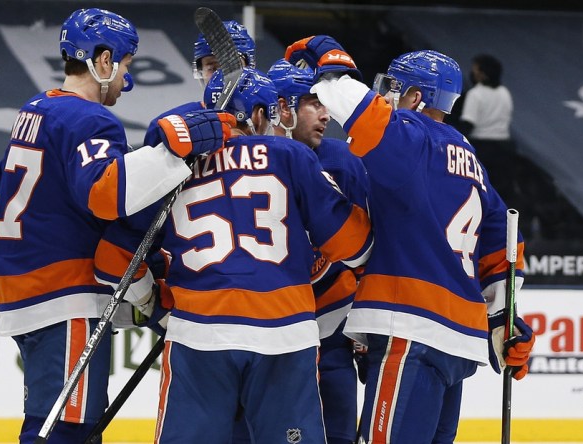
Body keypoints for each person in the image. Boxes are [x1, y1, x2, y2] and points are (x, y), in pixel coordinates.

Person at [0, 8, 230, 443]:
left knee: (58, 419)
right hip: (63, 295)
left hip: (21, 290)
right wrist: (170, 153)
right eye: (126, 65)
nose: (125, 79)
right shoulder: (90, 119)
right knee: (67, 428)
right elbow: (104, 196)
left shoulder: (35, 109)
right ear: (104, 62)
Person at [93, 67, 373, 443]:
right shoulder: (292, 155)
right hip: (285, 333)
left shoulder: (172, 166)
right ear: (259, 115)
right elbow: (356, 247)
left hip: (199, 335)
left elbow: (112, 260)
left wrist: (153, 301)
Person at [284, 37, 536, 443]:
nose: (385, 97)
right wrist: (503, 323)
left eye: (394, 89)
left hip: (411, 327)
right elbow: (505, 248)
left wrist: (328, 59)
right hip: (460, 342)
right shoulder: (471, 159)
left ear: (417, 96)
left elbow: (356, 106)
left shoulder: (413, 136)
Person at [261, 58, 370, 444]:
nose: (326, 115)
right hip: (272, 333)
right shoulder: (247, 163)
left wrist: (365, 325)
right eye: (314, 103)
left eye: (326, 104)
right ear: (284, 108)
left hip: (334, 327)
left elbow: (368, 249)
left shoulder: (343, 159)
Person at [141, 20, 256, 149]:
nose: (221, 77)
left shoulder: (267, 116)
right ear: (200, 72)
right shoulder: (166, 125)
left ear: (250, 68)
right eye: (212, 68)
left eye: (230, 65)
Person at [458, 54, 517, 205]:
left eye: (475, 70)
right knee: (501, 195)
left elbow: (468, 124)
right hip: (505, 150)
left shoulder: (475, 94)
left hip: (483, 149)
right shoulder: (505, 93)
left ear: (483, 74)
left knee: (480, 193)